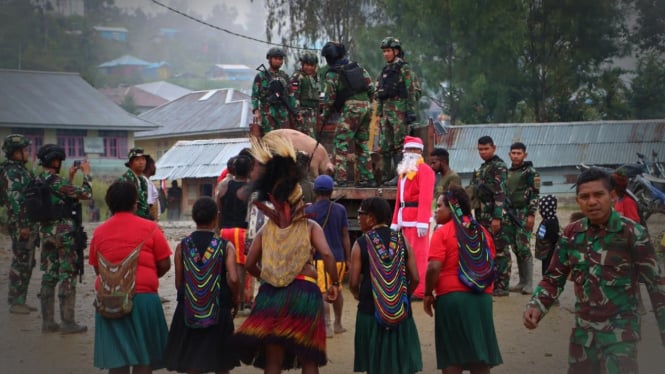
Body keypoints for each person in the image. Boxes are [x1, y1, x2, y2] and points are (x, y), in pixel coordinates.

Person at [523, 168, 665, 374]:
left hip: (620, 337)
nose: (591, 202)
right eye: (585, 196)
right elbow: (553, 278)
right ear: (578, 200)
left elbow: (657, 288)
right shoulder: (572, 234)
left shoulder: (633, 234)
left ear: (612, 196)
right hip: (583, 336)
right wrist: (537, 305)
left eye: (598, 195)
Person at [231, 132, 339, 373]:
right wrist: (334, 282)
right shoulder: (311, 227)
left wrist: (267, 275)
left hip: (272, 295)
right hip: (305, 291)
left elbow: (249, 264)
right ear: (300, 200)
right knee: (309, 357)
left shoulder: (265, 230)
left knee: (273, 360)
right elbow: (328, 256)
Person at [89, 181, 172, 373]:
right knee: (144, 360)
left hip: (110, 300)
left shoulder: (99, 232)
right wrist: (149, 277)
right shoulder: (151, 228)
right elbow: (165, 264)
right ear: (135, 203)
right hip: (144, 300)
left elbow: (97, 269)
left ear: (109, 205)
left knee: (117, 361)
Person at [424, 186, 503, 373]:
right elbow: (490, 263)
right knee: (480, 354)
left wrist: (428, 294)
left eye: (440, 206)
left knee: (453, 355)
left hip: (452, 299)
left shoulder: (442, 233)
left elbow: (434, 267)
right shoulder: (482, 231)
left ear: (451, 209)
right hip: (482, 299)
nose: (436, 209)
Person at [164, 196, 239, 374]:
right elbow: (234, 279)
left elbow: (178, 283)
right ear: (216, 219)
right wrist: (235, 299)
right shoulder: (226, 246)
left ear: (194, 218)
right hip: (219, 308)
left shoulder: (182, 246)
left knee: (193, 359)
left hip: (189, 310)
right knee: (221, 362)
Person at [349, 197, 422, 374]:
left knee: (374, 366)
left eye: (360, 214)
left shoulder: (360, 244)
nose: (358, 218)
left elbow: (352, 282)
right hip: (400, 313)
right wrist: (402, 294)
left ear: (371, 218)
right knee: (400, 365)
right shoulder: (403, 240)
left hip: (369, 312)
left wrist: (358, 294)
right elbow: (416, 278)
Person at [34, 144, 92, 333]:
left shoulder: (38, 180)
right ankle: (68, 322)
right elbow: (86, 194)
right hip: (64, 232)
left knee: (49, 275)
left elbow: (59, 197)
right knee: (67, 274)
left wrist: (70, 177)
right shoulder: (57, 181)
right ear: (55, 161)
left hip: (46, 232)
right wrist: (86, 175)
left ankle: (48, 322)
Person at [320, 41, 377, 188]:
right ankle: (368, 179)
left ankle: (341, 179)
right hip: (367, 107)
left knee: (340, 142)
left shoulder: (332, 74)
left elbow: (329, 98)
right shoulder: (357, 67)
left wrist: (324, 115)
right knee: (361, 144)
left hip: (351, 109)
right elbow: (371, 88)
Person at [305, 175, 350, 338]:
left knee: (323, 292)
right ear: (331, 191)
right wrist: (348, 258)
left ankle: (327, 326)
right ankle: (338, 323)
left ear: (315, 191)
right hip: (338, 258)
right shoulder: (340, 210)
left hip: (320, 259)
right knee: (337, 290)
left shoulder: (308, 210)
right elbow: (345, 235)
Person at [391, 136, 435, 299]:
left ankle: (420, 289)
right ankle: (407, 286)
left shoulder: (425, 171)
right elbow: (398, 200)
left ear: (420, 152)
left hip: (417, 220)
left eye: (414, 150)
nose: (411, 153)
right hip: (404, 218)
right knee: (405, 254)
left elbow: (426, 197)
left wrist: (423, 222)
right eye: (408, 150)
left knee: (419, 255)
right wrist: (395, 221)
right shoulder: (404, 172)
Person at [376, 37, 422, 186]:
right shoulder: (385, 70)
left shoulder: (404, 68)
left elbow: (411, 90)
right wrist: (378, 113)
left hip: (399, 111)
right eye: (384, 51)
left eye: (388, 51)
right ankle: (387, 175)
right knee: (385, 145)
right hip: (387, 112)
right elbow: (380, 93)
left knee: (399, 144)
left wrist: (410, 111)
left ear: (396, 51)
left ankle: (400, 175)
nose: (386, 54)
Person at [0, 134, 38, 314]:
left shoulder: (21, 170)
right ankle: (15, 301)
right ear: (15, 153)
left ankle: (20, 299)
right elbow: (16, 200)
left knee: (28, 261)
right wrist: (23, 225)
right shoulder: (12, 172)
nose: (27, 152)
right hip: (20, 223)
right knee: (20, 261)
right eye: (24, 150)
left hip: (27, 221)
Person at [471, 135, 509, 296]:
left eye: (486, 149)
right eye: (480, 149)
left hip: (494, 215)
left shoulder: (499, 166)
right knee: (487, 249)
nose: (483, 152)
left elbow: (500, 193)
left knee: (500, 249)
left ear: (494, 148)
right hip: (482, 215)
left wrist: (497, 217)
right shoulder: (482, 168)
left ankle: (502, 285)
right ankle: (491, 282)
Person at [216, 155, 252, 315]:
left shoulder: (223, 185)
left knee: (225, 267)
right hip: (241, 232)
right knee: (241, 268)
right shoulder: (249, 189)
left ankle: (226, 298)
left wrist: (217, 230)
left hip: (224, 230)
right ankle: (241, 302)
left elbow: (218, 208)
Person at [504, 142, 540, 294]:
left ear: (525, 155)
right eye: (513, 153)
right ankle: (521, 282)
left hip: (524, 213)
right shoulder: (507, 172)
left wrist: (531, 214)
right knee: (516, 247)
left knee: (524, 247)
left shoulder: (530, 172)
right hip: (510, 213)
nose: (516, 156)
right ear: (509, 154)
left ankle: (529, 283)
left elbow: (535, 194)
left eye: (519, 153)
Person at [252, 47, 294, 135]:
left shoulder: (284, 76)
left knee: (284, 139)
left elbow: (291, 94)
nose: (278, 61)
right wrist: (256, 111)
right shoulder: (261, 76)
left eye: (280, 59)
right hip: (267, 113)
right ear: (269, 59)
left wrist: (294, 110)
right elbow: (255, 96)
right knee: (269, 139)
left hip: (283, 113)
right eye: (275, 58)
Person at [290, 52, 321, 138]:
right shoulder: (298, 76)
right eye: (307, 65)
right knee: (305, 137)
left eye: (312, 65)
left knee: (312, 137)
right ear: (302, 64)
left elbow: (317, 92)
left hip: (312, 112)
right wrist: (297, 112)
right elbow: (293, 95)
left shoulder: (314, 77)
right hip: (302, 113)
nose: (309, 68)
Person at [118, 147, 152, 220]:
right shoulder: (125, 180)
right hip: (129, 220)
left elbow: (144, 204)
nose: (141, 162)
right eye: (137, 160)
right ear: (130, 163)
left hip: (142, 220)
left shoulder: (143, 181)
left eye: (143, 159)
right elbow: (125, 206)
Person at [534, 195, 559, 276]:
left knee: (548, 270)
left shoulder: (551, 222)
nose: (540, 210)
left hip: (549, 252)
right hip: (545, 252)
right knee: (545, 269)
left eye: (541, 208)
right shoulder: (547, 220)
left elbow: (554, 237)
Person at [144, 155, 160, 221]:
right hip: (150, 219)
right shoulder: (145, 182)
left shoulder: (149, 181)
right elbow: (149, 203)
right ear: (148, 166)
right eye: (153, 165)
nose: (155, 167)